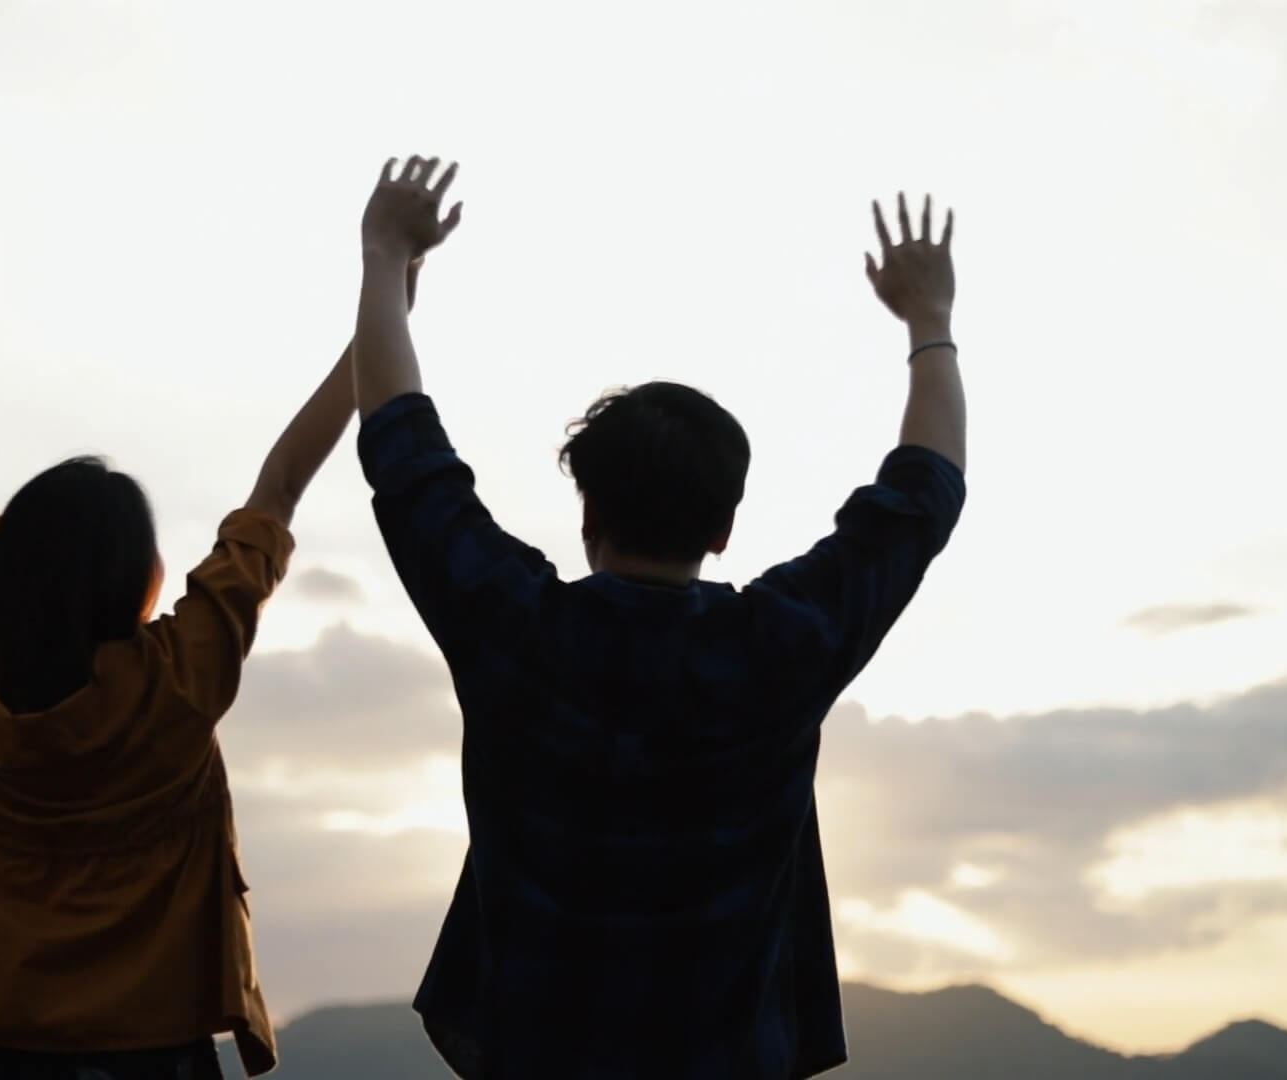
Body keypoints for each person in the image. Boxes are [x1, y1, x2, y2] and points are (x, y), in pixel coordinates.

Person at [351, 156, 968, 1079]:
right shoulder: (781, 649)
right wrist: (930, 324)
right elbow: (923, 498)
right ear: (724, 530)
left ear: (588, 511)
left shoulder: (515, 629)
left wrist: (383, 258)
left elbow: (404, 454)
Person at [0, 238, 447, 1079]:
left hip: (6, 1057)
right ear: (143, 582)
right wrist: (382, 317)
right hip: (158, 1057)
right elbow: (282, 486)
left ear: (4, 574)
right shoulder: (179, 673)